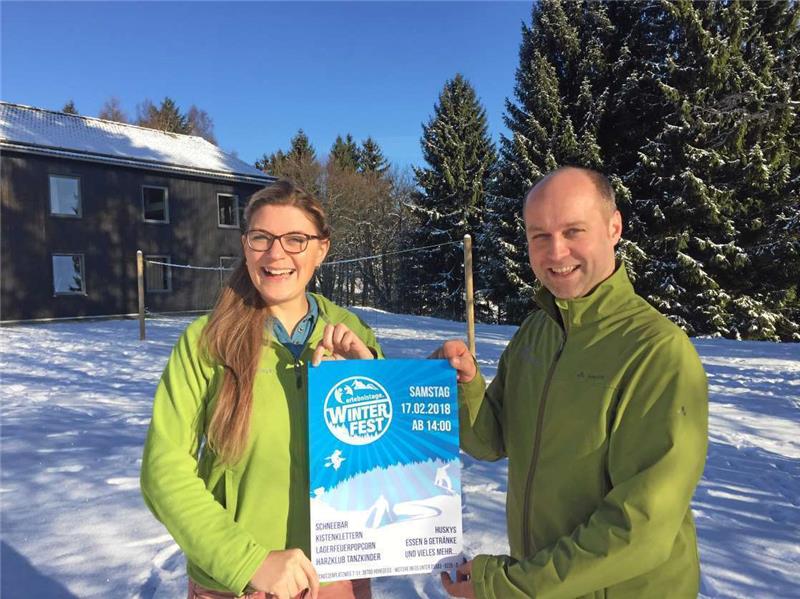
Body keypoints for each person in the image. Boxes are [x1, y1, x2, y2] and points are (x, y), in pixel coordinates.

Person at [436, 166, 709, 598]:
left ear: (613, 227)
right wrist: (463, 385)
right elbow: (490, 441)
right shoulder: (537, 332)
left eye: (573, 231)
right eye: (539, 236)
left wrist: (508, 587)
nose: (555, 252)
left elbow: (641, 528)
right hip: (548, 585)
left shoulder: (655, 351)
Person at [140, 180, 380, 599]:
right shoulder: (206, 341)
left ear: (321, 249)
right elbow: (163, 471)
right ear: (245, 243)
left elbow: (388, 458)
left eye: (295, 239)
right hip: (236, 583)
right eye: (261, 238)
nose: (275, 254)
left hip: (335, 577)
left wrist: (372, 380)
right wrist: (247, 561)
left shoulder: (352, 333)